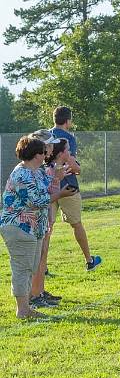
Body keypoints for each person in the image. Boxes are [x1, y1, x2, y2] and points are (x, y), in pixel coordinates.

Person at [1, 135, 76, 319]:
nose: (46, 155)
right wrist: (60, 194)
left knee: (31, 267)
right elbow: (37, 201)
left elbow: (47, 190)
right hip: (19, 227)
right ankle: (23, 310)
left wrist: (57, 179)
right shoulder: (22, 174)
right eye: (43, 152)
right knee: (22, 268)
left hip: (33, 228)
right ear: (36, 154)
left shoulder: (37, 171)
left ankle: (26, 307)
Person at [29, 131, 80, 308]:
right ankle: (34, 294)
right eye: (48, 145)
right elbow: (43, 195)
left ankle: (39, 292)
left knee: (42, 257)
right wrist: (57, 181)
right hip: (34, 221)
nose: (50, 148)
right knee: (38, 259)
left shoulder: (44, 167)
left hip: (44, 220)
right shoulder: (39, 168)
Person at [49, 106, 102, 271]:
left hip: (47, 184)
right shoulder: (68, 138)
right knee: (77, 224)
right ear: (68, 121)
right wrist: (78, 168)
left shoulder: (44, 134)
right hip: (67, 185)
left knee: (47, 226)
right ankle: (89, 260)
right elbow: (71, 163)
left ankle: (42, 266)